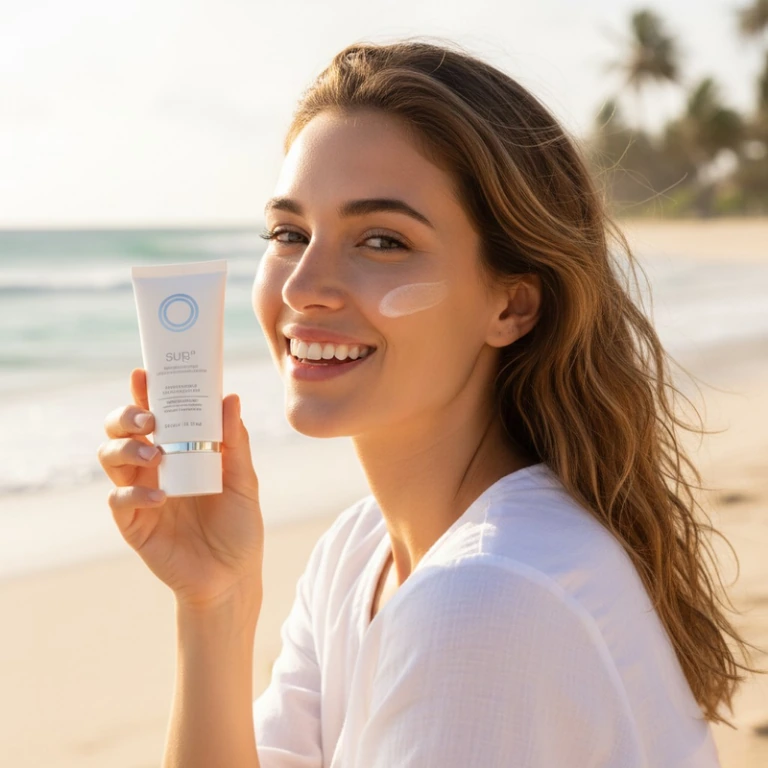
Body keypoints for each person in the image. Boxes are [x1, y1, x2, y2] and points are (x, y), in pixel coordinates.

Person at [97, 38, 760, 768]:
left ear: (512, 304)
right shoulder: (359, 555)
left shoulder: (487, 600)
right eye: (289, 233)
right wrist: (214, 604)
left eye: (381, 240)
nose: (301, 286)